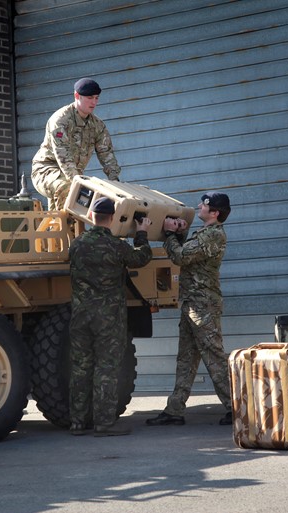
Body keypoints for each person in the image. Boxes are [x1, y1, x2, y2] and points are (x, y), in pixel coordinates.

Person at [146, 192, 233, 427]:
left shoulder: (213, 235)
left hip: (203, 306)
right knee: (186, 359)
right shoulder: (204, 233)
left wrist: (169, 234)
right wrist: (180, 233)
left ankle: (237, 407)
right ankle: (174, 409)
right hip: (192, 303)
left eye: (204, 205)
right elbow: (189, 251)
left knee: (214, 356)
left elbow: (182, 257)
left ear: (214, 212)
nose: (198, 207)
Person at [69, 197, 152, 437]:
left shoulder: (77, 245)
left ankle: (77, 423)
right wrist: (142, 233)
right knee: (106, 368)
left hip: (81, 315)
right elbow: (141, 258)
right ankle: (104, 422)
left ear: (92, 216)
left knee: (80, 367)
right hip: (108, 317)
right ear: (113, 218)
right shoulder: (116, 246)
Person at [31, 78, 122, 211]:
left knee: (83, 196)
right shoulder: (61, 120)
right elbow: (63, 156)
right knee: (71, 190)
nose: (94, 102)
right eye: (90, 97)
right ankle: (68, 230)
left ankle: (69, 230)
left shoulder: (97, 125)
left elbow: (106, 154)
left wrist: (116, 183)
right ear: (77, 96)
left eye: (96, 98)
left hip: (72, 175)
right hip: (46, 170)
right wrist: (77, 182)